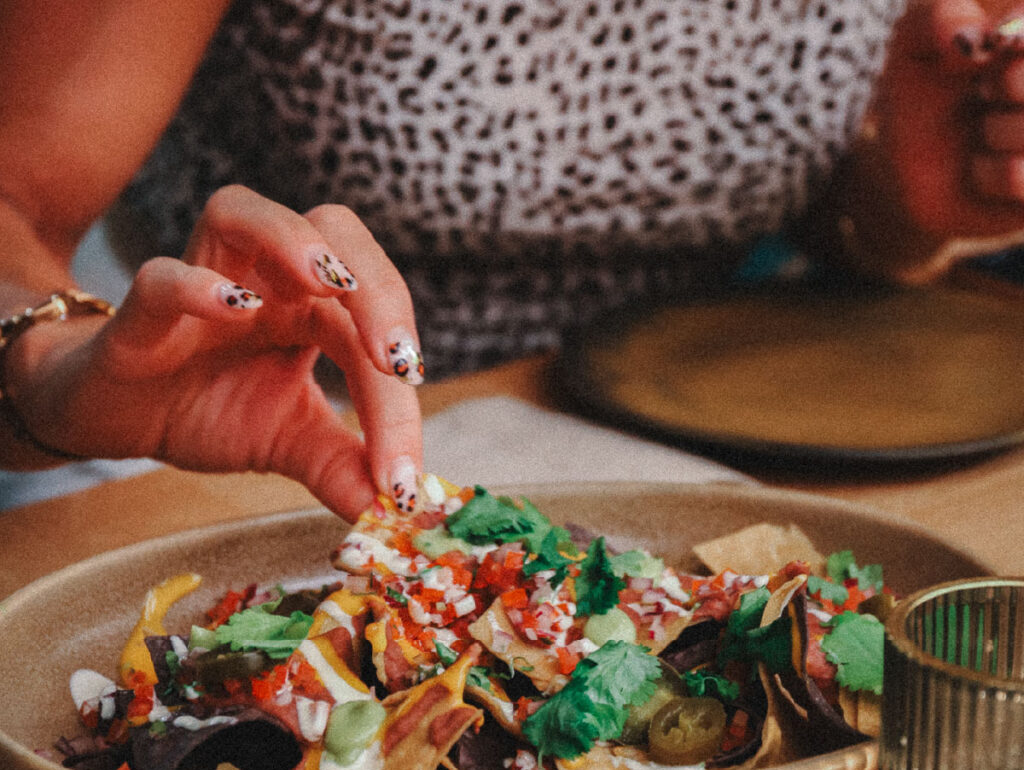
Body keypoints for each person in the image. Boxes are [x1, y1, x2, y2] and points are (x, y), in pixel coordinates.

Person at [3, 0, 1024, 522]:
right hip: (248, 453)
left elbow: (830, 219)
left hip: (711, 472)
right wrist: (48, 366)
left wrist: (905, 201)